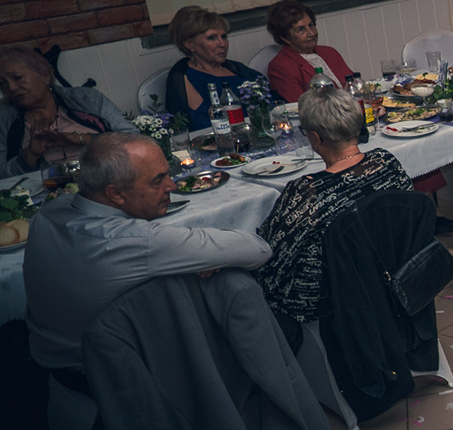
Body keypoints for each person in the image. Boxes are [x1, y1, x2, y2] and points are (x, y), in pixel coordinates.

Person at [24, 133, 270, 374]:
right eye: (158, 181)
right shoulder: (135, 240)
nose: (172, 186)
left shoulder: (48, 212)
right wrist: (207, 258)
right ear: (115, 193)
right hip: (120, 377)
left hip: (47, 366)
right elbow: (258, 249)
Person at [253, 85, 412, 348]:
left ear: (315, 137)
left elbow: (271, 257)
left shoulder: (306, 191)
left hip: (330, 296)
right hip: (391, 275)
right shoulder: (387, 162)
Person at [1, 45, 136, 175]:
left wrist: (83, 139)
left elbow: (133, 138)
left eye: (17, 78)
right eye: (2, 83)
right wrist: (30, 154)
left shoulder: (87, 99)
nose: (11, 87)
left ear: (44, 75)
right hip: (46, 187)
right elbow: (2, 174)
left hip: (106, 176)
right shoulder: (3, 117)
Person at [164, 6, 268, 131]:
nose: (222, 44)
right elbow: (200, 125)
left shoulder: (237, 69)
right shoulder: (183, 77)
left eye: (224, 36)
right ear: (190, 45)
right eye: (211, 38)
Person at [264, 0, 356, 104]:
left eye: (311, 25)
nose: (311, 33)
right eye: (301, 29)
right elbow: (298, 106)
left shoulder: (329, 52)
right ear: (285, 38)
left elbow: (355, 84)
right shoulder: (281, 66)